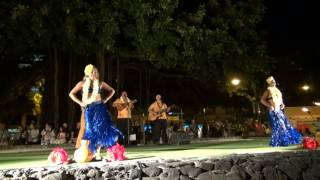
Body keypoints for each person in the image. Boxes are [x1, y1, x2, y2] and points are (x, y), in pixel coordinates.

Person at [69, 64, 123, 159]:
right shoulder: (82, 83)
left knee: (99, 129)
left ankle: (97, 153)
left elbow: (112, 91)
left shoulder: (100, 83)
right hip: (87, 108)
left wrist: (105, 100)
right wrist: (80, 103)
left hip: (99, 107)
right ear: (88, 73)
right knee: (85, 127)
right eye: (93, 71)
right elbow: (71, 94)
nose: (95, 73)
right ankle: (80, 150)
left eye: (96, 71)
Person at [260, 76, 302, 146]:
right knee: (279, 125)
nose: (273, 82)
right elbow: (262, 100)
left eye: (274, 80)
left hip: (279, 111)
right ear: (269, 83)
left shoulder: (277, 90)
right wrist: (270, 106)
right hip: (273, 111)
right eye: (272, 81)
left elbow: (279, 100)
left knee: (285, 125)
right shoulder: (268, 90)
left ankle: (282, 141)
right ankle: (277, 142)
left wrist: (282, 104)